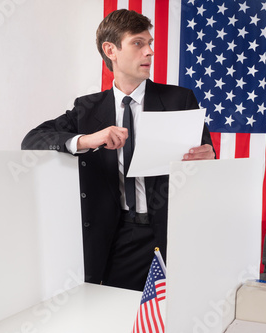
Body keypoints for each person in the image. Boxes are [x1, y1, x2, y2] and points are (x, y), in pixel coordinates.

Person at [21, 9, 215, 291]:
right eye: (138, 43)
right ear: (110, 50)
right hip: (119, 234)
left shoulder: (179, 98)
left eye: (150, 43)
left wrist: (209, 159)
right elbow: (32, 139)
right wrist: (86, 140)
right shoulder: (87, 108)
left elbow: (207, 161)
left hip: (174, 231)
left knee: (174, 314)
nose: (149, 52)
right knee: (120, 313)